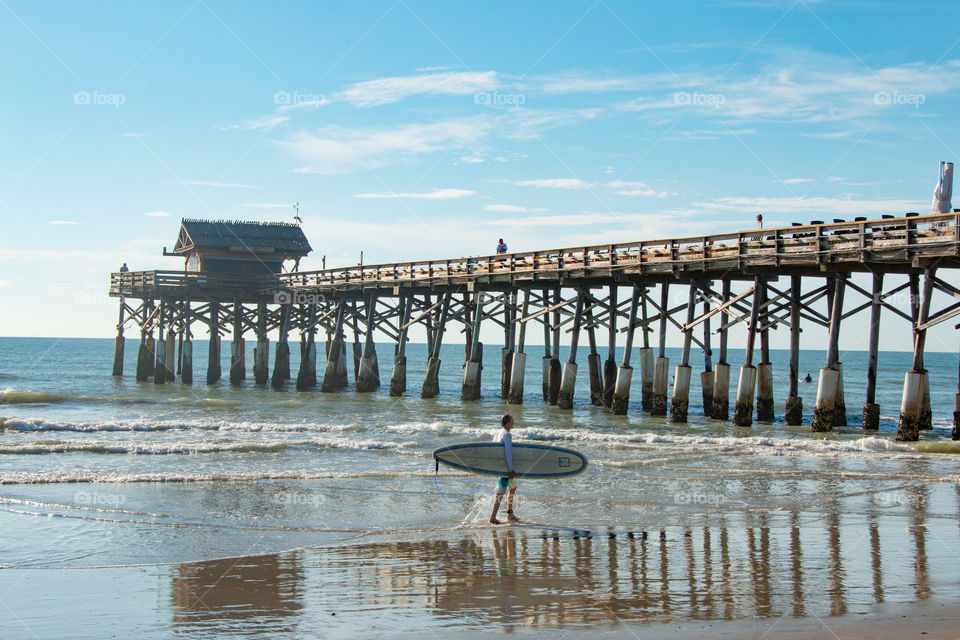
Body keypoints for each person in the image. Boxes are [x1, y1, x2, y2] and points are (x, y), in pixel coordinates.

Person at [490, 413, 519, 524]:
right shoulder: (507, 435)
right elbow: (508, 453)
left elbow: (493, 448)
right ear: (507, 423)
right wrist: (511, 469)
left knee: (512, 487)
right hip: (505, 469)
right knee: (499, 494)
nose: (513, 422)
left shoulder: (499, 432)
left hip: (500, 466)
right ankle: (492, 518)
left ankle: (510, 514)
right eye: (512, 420)